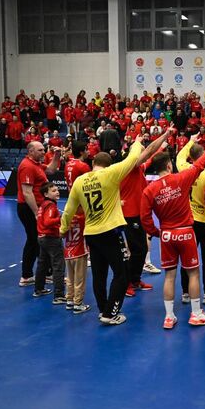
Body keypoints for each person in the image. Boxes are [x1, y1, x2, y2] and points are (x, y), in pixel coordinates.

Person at [60, 135, 145, 326]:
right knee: (121, 274)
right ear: (108, 165)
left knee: (99, 275)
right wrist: (137, 142)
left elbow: (68, 209)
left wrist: (63, 229)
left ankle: (102, 309)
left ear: (93, 163)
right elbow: (133, 158)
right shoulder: (110, 173)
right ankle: (110, 313)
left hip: (91, 234)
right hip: (110, 232)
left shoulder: (80, 181)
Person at [139, 140, 205, 329]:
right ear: (168, 165)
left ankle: (169, 316)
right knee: (193, 274)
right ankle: (196, 313)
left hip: (167, 234)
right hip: (185, 232)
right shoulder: (181, 178)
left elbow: (144, 218)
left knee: (169, 276)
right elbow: (199, 165)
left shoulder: (149, 190)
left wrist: (156, 232)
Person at [120, 130, 170, 298]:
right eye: (140, 151)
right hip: (130, 215)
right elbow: (148, 152)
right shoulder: (130, 166)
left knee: (141, 249)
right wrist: (164, 135)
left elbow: (150, 157)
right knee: (137, 250)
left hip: (138, 214)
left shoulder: (138, 168)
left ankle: (135, 280)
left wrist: (161, 147)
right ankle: (127, 283)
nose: (143, 152)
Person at [177, 137, 205, 305]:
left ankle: (185, 293)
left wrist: (190, 141)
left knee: (187, 258)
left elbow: (180, 155)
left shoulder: (183, 168)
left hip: (189, 220)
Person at [17, 141, 61, 287]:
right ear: (31, 151)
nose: (43, 152)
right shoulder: (27, 166)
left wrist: (57, 155)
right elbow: (27, 192)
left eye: (43, 149)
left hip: (36, 207)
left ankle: (38, 273)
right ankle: (29, 275)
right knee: (34, 240)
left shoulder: (36, 164)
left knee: (36, 240)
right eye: (40, 150)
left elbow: (51, 170)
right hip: (29, 208)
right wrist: (37, 213)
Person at [34, 182, 65, 304]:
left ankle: (39, 289)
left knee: (42, 264)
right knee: (58, 266)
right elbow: (48, 222)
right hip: (51, 239)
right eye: (53, 191)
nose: (57, 192)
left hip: (42, 238)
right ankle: (59, 295)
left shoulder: (43, 205)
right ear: (46, 194)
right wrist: (60, 218)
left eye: (57, 190)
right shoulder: (51, 205)